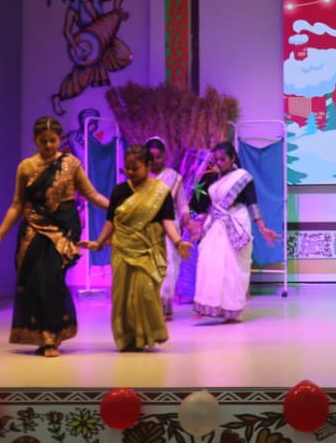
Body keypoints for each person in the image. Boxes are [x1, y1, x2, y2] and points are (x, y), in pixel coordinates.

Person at [0, 116, 109, 357]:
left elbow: (91, 194)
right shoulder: (26, 167)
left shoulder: (71, 164)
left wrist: (117, 208)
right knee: (32, 282)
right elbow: (17, 204)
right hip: (33, 229)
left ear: (59, 139)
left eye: (53, 140)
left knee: (51, 280)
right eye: (43, 141)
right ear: (34, 140)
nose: (48, 145)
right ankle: (41, 336)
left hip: (63, 231)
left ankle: (52, 337)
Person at [82, 145, 192, 351]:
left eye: (135, 168)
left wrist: (178, 242)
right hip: (123, 249)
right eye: (128, 168)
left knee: (145, 292)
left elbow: (167, 221)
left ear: (148, 165)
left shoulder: (161, 192)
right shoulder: (120, 191)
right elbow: (110, 222)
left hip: (148, 249)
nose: (130, 172)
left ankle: (146, 336)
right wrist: (98, 242)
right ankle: (127, 339)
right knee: (122, 296)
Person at [188, 141, 280, 321]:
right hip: (215, 225)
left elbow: (252, 204)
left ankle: (231, 310)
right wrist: (196, 223)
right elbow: (204, 205)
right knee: (209, 263)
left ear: (232, 158)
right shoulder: (213, 179)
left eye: (223, 159)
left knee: (231, 268)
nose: (219, 163)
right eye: (216, 160)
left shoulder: (243, 177)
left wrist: (262, 227)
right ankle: (208, 305)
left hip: (236, 223)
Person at [146, 137, 191, 318]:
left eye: (158, 157)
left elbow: (181, 202)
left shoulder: (173, 177)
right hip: (147, 226)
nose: (155, 161)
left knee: (169, 264)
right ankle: (152, 305)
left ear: (164, 156)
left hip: (169, 225)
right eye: (151, 157)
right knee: (149, 265)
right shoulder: (141, 176)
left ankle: (166, 303)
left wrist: (186, 214)